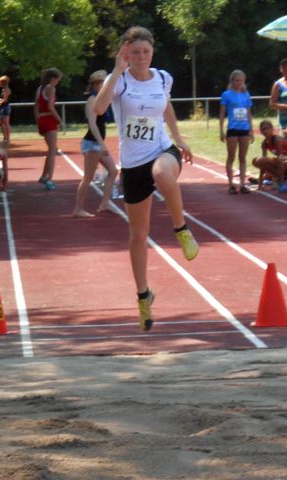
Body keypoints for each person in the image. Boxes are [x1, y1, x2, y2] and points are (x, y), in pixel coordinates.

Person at [95, 26, 199, 332]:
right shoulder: (120, 81)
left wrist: (179, 138)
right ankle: (143, 296)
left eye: (146, 52)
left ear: (152, 52)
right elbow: (99, 108)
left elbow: (167, 108)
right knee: (138, 235)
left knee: (162, 173)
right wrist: (117, 69)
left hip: (162, 149)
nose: (141, 57)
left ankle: (181, 229)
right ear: (126, 53)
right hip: (133, 163)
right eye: (136, 52)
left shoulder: (163, 78)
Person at [73, 69, 118, 217]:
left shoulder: (101, 99)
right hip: (92, 143)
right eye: (103, 84)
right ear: (96, 84)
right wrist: (102, 144)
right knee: (88, 176)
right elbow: (92, 125)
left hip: (97, 143)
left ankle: (104, 203)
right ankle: (78, 209)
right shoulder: (92, 100)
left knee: (113, 171)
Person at [219, 69, 254, 194]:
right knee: (231, 157)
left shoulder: (246, 94)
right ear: (232, 81)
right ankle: (231, 185)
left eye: (241, 80)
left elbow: (249, 113)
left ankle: (242, 184)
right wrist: (221, 130)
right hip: (232, 129)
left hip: (244, 129)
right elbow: (222, 113)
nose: (239, 83)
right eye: (237, 80)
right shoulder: (226, 95)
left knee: (242, 157)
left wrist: (251, 130)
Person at [34, 67, 63, 190]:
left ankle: (43, 176)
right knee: (52, 151)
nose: (57, 82)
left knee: (51, 149)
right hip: (50, 120)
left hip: (42, 119)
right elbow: (51, 106)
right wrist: (60, 120)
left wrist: (38, 121)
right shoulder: (51, 88)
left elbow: (36, 107)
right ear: (53, 79)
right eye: (57, 80)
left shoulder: (39, 89)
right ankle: (49, 179)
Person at [252, 119, 287, 189]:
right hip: (282, 163)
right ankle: (281, 177)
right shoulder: (264, 143)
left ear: (272, 129)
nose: (265, 131)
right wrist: (260, 183)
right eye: (263, 129)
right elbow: (262, 165)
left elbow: (280, 159)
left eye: (267, 128)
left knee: (261, 160)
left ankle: (281, 180)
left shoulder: (277, 140)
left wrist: (280, 182)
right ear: (260, 131)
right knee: (255, 161)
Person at [0, 75, 12, 146]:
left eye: (0, 82)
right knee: (1, 123)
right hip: (3, 107)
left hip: (5, 108)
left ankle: (7, 139)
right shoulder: (3, 90)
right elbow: (4, 99)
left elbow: (5, 100)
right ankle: (5, 138)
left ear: (3, 82)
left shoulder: (6, 90)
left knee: (6, 124)